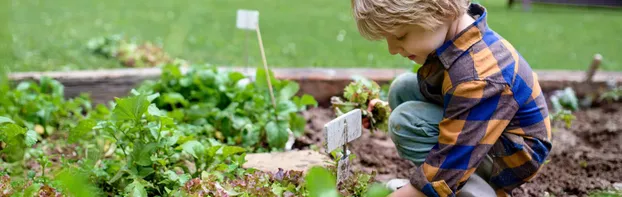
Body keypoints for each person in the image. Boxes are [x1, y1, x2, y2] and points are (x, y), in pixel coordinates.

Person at [351, 0, 552, 196]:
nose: (392, 49)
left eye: (401, 36)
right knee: (401, 89)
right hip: (489, 136)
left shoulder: (478, 76)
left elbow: (457, 149)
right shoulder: (461, 39)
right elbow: (454, 100)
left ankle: (475, 191)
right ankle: (439, 183)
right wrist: (382, 110)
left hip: (506, 161)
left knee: (405, 121)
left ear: (441, 10)